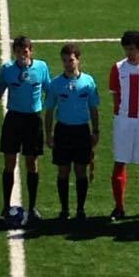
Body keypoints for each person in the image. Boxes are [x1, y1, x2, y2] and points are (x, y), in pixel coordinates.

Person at [0, 36, 52, 224]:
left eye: (25, 51)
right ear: (14, 53)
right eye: (18, 52)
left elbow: (49, 90)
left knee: (32, 163)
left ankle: (32, 207)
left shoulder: (41, 67)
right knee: (9, 162)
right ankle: (5, 206)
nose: (22, 55)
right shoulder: (7, 70)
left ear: (31, 51)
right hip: (14, 119)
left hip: (33, 120)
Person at [45, 44, 100, 221]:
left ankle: (80, 209)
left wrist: (95, 131)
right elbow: (49, 110)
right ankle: (64, 209)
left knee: (81, 170)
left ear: (78, 59)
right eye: (64, 61)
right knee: (63, 171)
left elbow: (93, 109)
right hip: (63, 131)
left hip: (82, 131)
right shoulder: (55, 84)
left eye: (71, 60)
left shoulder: (88, 82)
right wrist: (48, 134)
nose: (68, 64)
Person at [108, 30, 139, 220]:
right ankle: (119, 207)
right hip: (123, 121)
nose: (129, 53)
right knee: (120, 161)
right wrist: (120, 113)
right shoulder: (118, 68)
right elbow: (115, 94)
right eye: (126, 49)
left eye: (132, 49)